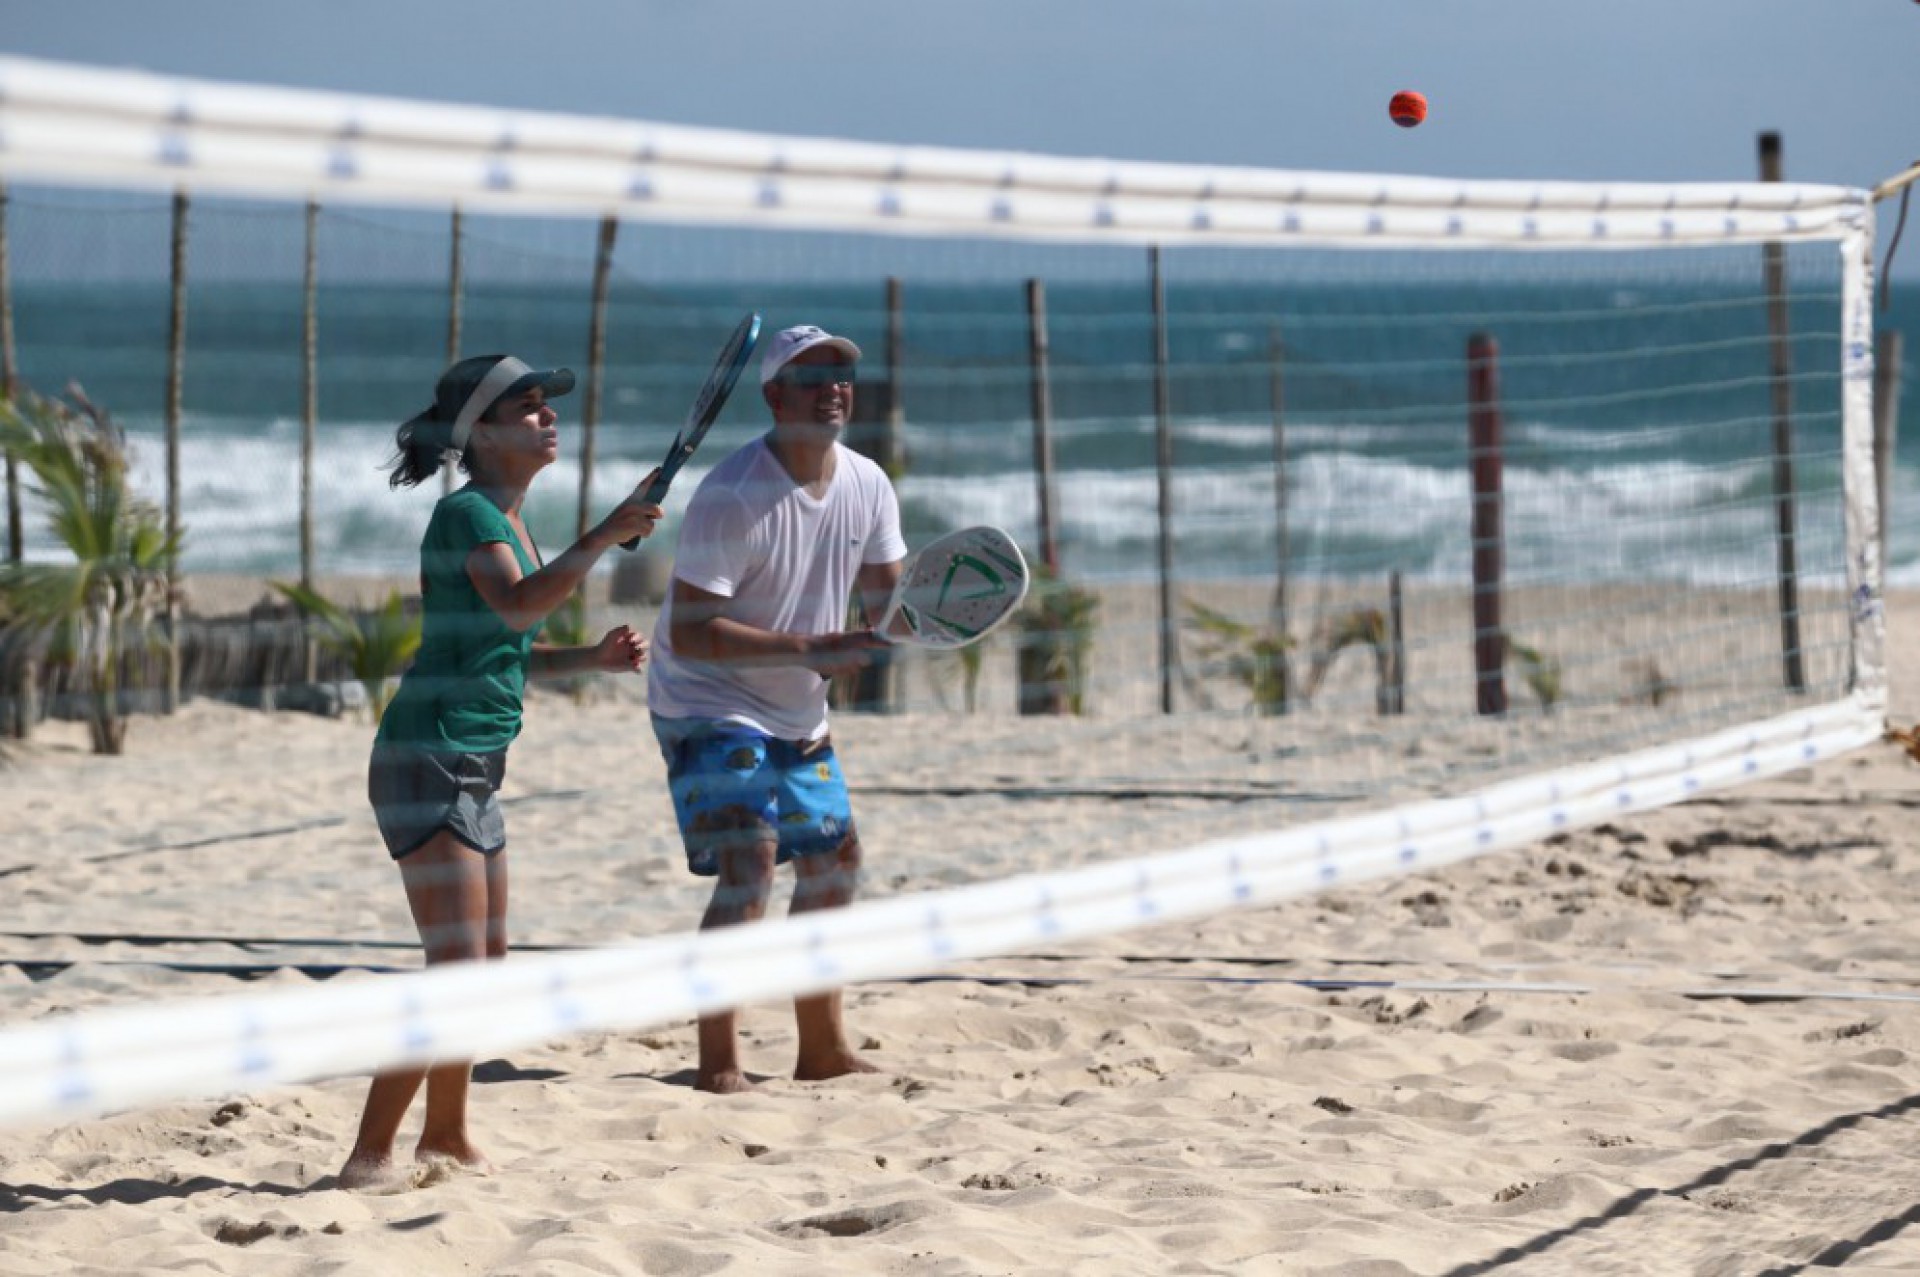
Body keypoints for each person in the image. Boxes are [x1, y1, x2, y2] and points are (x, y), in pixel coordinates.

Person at [337, 354, 663, 1189]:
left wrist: (586, 658)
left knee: (484, 963)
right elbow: (519, 605)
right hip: (429, 753)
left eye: (547, 407)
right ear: (481, 432)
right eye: (527, 408)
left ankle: (444, 1134)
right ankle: (367, 1155)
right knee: (453, 971)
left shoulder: (511, 524)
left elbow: (507, 647)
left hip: (476, 762)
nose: (547, 418)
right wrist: (603, 534)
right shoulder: (467, 514)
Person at [647, 324, 907, 1094]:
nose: (833, 386)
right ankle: (718, 1061)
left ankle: (821, 1048)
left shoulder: (868, 481)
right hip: (705, 697)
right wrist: (812, 650)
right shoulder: (733, 493)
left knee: (835, 863)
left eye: (841, 374)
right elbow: (692, 632)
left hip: (797, 703)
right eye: (811, 374)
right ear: (774, 396)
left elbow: (890, 602)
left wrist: (919, 620)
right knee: (750, 861)